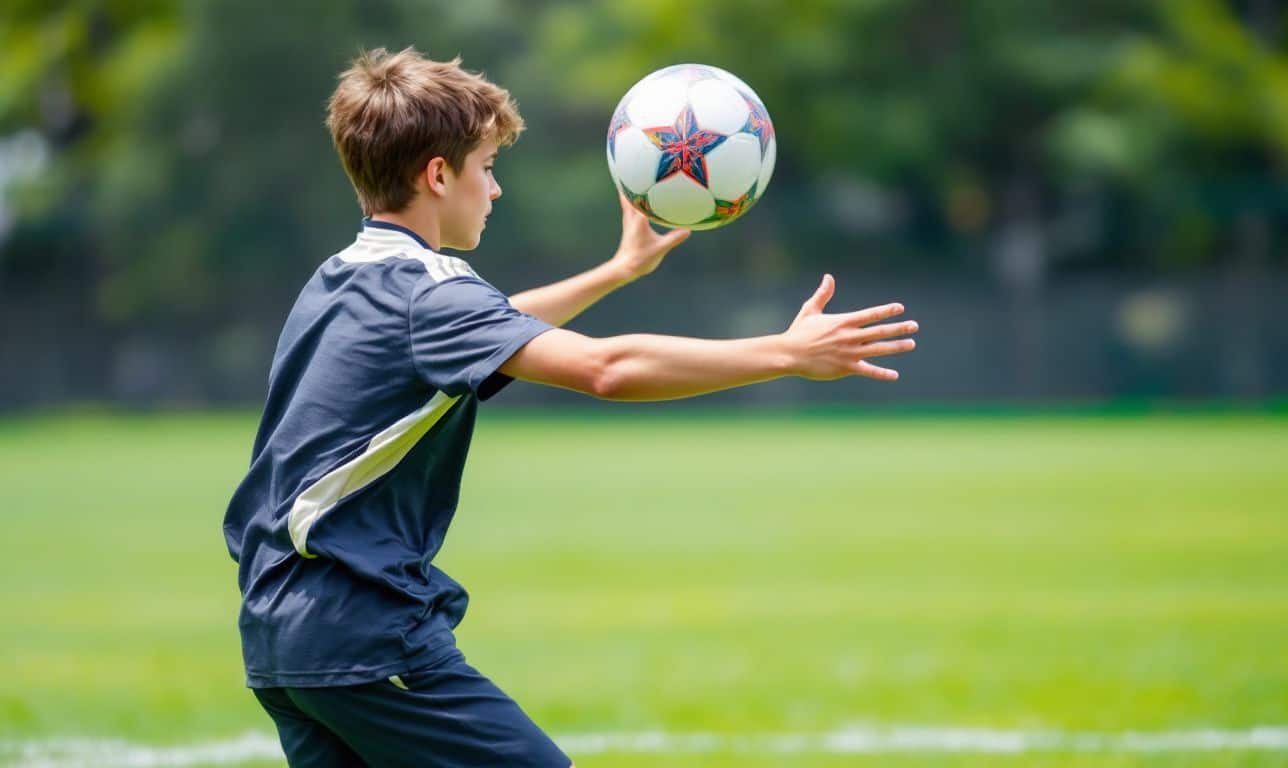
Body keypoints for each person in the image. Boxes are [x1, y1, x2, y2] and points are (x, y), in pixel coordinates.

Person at [223, 46, 918, 768]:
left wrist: (616, 273)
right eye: (486, 168)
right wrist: (786, 352)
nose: (494, 191)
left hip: (279, 635)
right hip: (359, 631)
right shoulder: (431, 293)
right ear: (437, 174)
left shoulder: (343, 278)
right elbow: (605, 368)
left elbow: (492, 327)